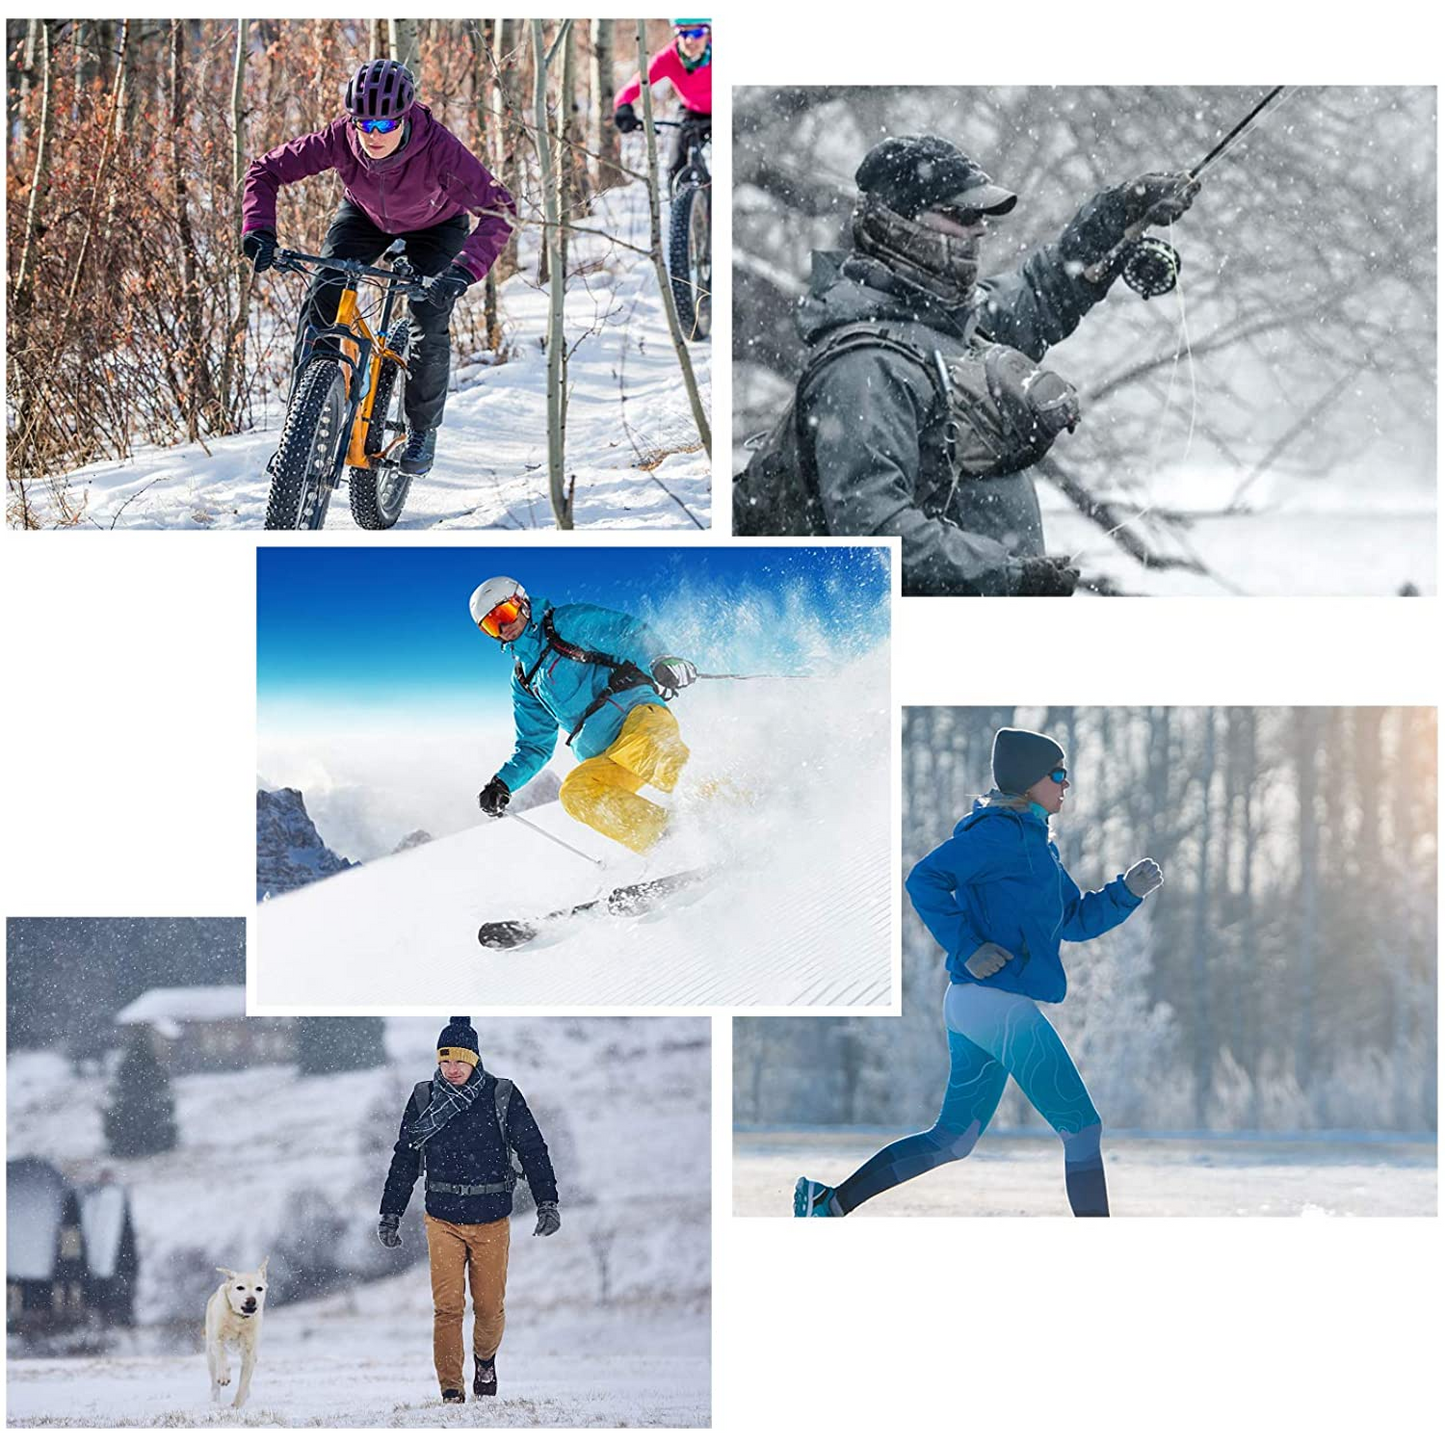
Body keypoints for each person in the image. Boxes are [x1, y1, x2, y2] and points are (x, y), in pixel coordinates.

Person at [734, 134, 1200, 596]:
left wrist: (1119, 213)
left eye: (981, 217)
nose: (979, 229)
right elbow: (873, 531)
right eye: (961, 215)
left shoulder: (951, 326)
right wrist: (1009, 575)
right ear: (900, 224)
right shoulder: (865, 367)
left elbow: (1043, 289)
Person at [794, 727, 1163, 1218]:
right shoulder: (998, 834)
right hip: (994, 1003)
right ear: (1030, 781)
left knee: (952, 1140)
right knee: (1082, 1128)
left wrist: (1126, 893)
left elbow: (1072, 921)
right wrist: (967, 947)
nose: (1065, 784)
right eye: (1058, 774)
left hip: (978, 1004)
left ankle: (829, 1203)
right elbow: (924, 878)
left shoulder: (1036, 844)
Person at [241, 58, 516, 478]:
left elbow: (500, 210)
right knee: (323, 297)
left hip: (436, 228)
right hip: (364, 218)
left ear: (404, 118)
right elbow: (266, 170)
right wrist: (258, 230)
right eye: (363, 123)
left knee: (427, 314)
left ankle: (422, 429)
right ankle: (304, 423)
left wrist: (461, 272)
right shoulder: (340, 137)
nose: (372, 135)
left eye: (385, 125)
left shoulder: (439, 149)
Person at [378, 1017, 560, 1404]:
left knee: (490, 1308)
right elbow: (405, 1159)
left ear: (475, 1059)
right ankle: (451, 1388)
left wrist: (547, 1201)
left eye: (460, 1060)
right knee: (447, 1307)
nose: (453, 1069)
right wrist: (390, 1212)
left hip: (492, 1217)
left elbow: (533, 1149)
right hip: (441, 1217)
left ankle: (484, 1360)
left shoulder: (502, 1095)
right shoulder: (425, 1098)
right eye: (445, 1061)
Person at [470, 577, 696, 854]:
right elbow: (535, 744)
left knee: (650, 755)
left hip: (637, 718)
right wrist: (502, 783)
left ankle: (732, 809)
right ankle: (669, 844)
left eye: (503, 614)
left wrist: (660, 659)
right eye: (492, 625)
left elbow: (627, 634)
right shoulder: (524, 680)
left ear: (522, 603)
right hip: (606, 753)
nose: (504, 628)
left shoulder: (566, 624)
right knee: (577, 792)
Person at [612, 20, 712, 185]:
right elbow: (632, 87)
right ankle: (681, 208)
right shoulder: (668, 58)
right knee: (675, 169)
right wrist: (624, 107)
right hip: (691, 110)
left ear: (708, 33)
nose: (689, 41)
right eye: (683, 33)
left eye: (697, 33)